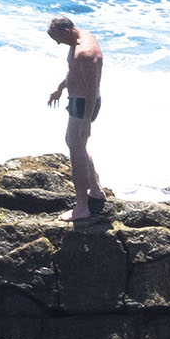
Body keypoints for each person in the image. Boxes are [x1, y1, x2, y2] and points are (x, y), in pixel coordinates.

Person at [46, 16, 107, 221]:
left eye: (58, 40)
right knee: (74, 144)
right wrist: (60, 88)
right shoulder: (78, 39)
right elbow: (74, 72)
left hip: (84, 105)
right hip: (77, 102)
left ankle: (82, 207)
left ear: (66, 32)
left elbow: (91, 89)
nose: (57, 44)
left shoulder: (86, 53)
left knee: (76, 150)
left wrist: (86, 122)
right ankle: (96, 189)